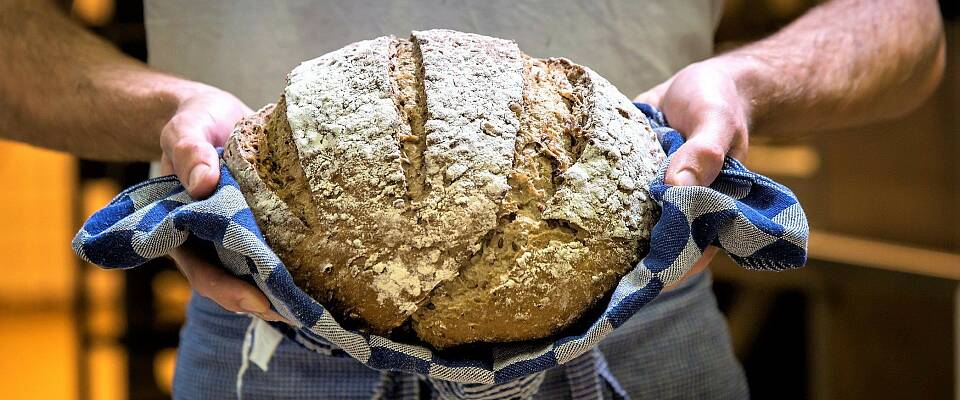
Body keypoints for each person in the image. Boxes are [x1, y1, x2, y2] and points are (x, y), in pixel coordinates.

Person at [0, 0, 944, 398]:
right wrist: (164, 106)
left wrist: (747, 81)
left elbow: (912, 28)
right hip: (263, 343)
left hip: (644, 336)